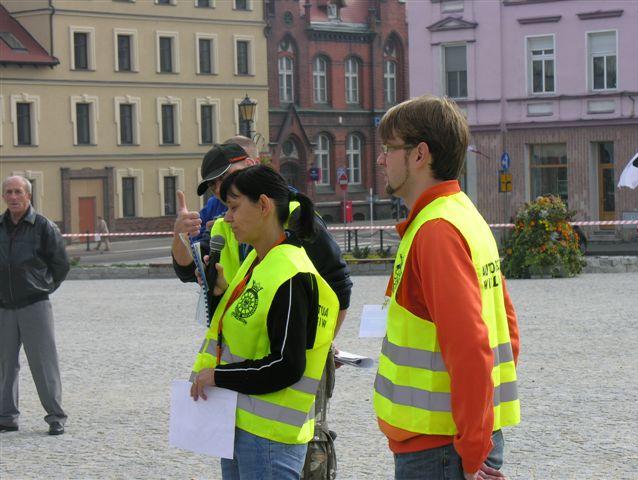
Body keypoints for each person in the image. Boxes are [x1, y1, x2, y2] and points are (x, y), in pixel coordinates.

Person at [173, 141, 352, 479]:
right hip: (241, 419)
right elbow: (244, 327)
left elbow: (287, 365)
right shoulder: (258, 260)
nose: (226, 216)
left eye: (234, 206)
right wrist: (219, 291)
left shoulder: (289, 270)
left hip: (269, 434)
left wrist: (218, 376)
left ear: (264, 206)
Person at [373, 96, 521, 480]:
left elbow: (471, 347)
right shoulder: (462, 213)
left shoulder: (435, 230)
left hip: (440, 449)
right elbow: (506, 328)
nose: (381, 159)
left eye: (389, 148)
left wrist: (472, 450)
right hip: (449, 442)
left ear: (419, 155)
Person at [0, 175, 69, 435]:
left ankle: (55, 416)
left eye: (18, 191)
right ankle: (6, 417)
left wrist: (43, 286)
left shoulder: (43, 226)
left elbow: (61, 265)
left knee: (43, 363)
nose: (13, 196)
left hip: (34, 305)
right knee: (5, 365)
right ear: (3, 196)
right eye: (9, 192)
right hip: (4, 307)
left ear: (28, 195)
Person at [192, 136, 260, 243]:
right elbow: (193, 246)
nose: (219, 190)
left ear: (250, 164)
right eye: (212, 184)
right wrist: (181, 234)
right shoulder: (214, 205)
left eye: (224, 176)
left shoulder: (283, 201)